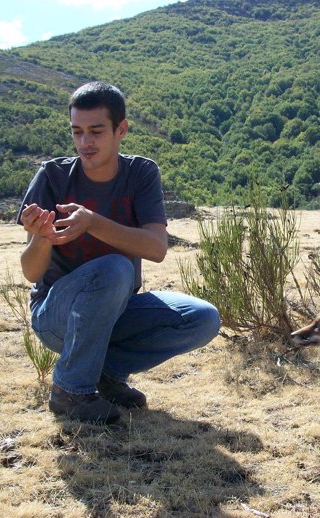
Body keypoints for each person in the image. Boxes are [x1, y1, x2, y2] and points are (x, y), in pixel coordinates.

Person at [17, 81, 220, 424]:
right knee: (115, 268)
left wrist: (92, 222)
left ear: (121, 129)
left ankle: (104, 375)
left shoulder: (140, 173)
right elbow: (31, 273)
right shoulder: (51, 176)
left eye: (96, 131)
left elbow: (156, 248)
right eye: (77, 131)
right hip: (56, 318)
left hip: (116, 311)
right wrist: (41, 238)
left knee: (202, 318)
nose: (85, 142)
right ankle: (71, 391)